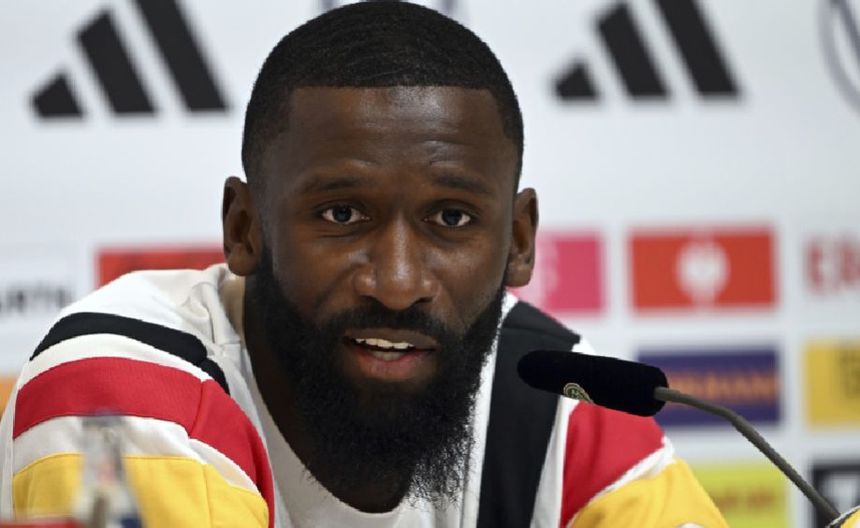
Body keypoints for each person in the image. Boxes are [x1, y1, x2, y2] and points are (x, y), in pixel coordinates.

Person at [0, 2, 727, 527]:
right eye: (342, 215)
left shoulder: (561, 413)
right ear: (244, 229)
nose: (399, 283)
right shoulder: (114, 391)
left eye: (451, 219)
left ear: (518, 241)